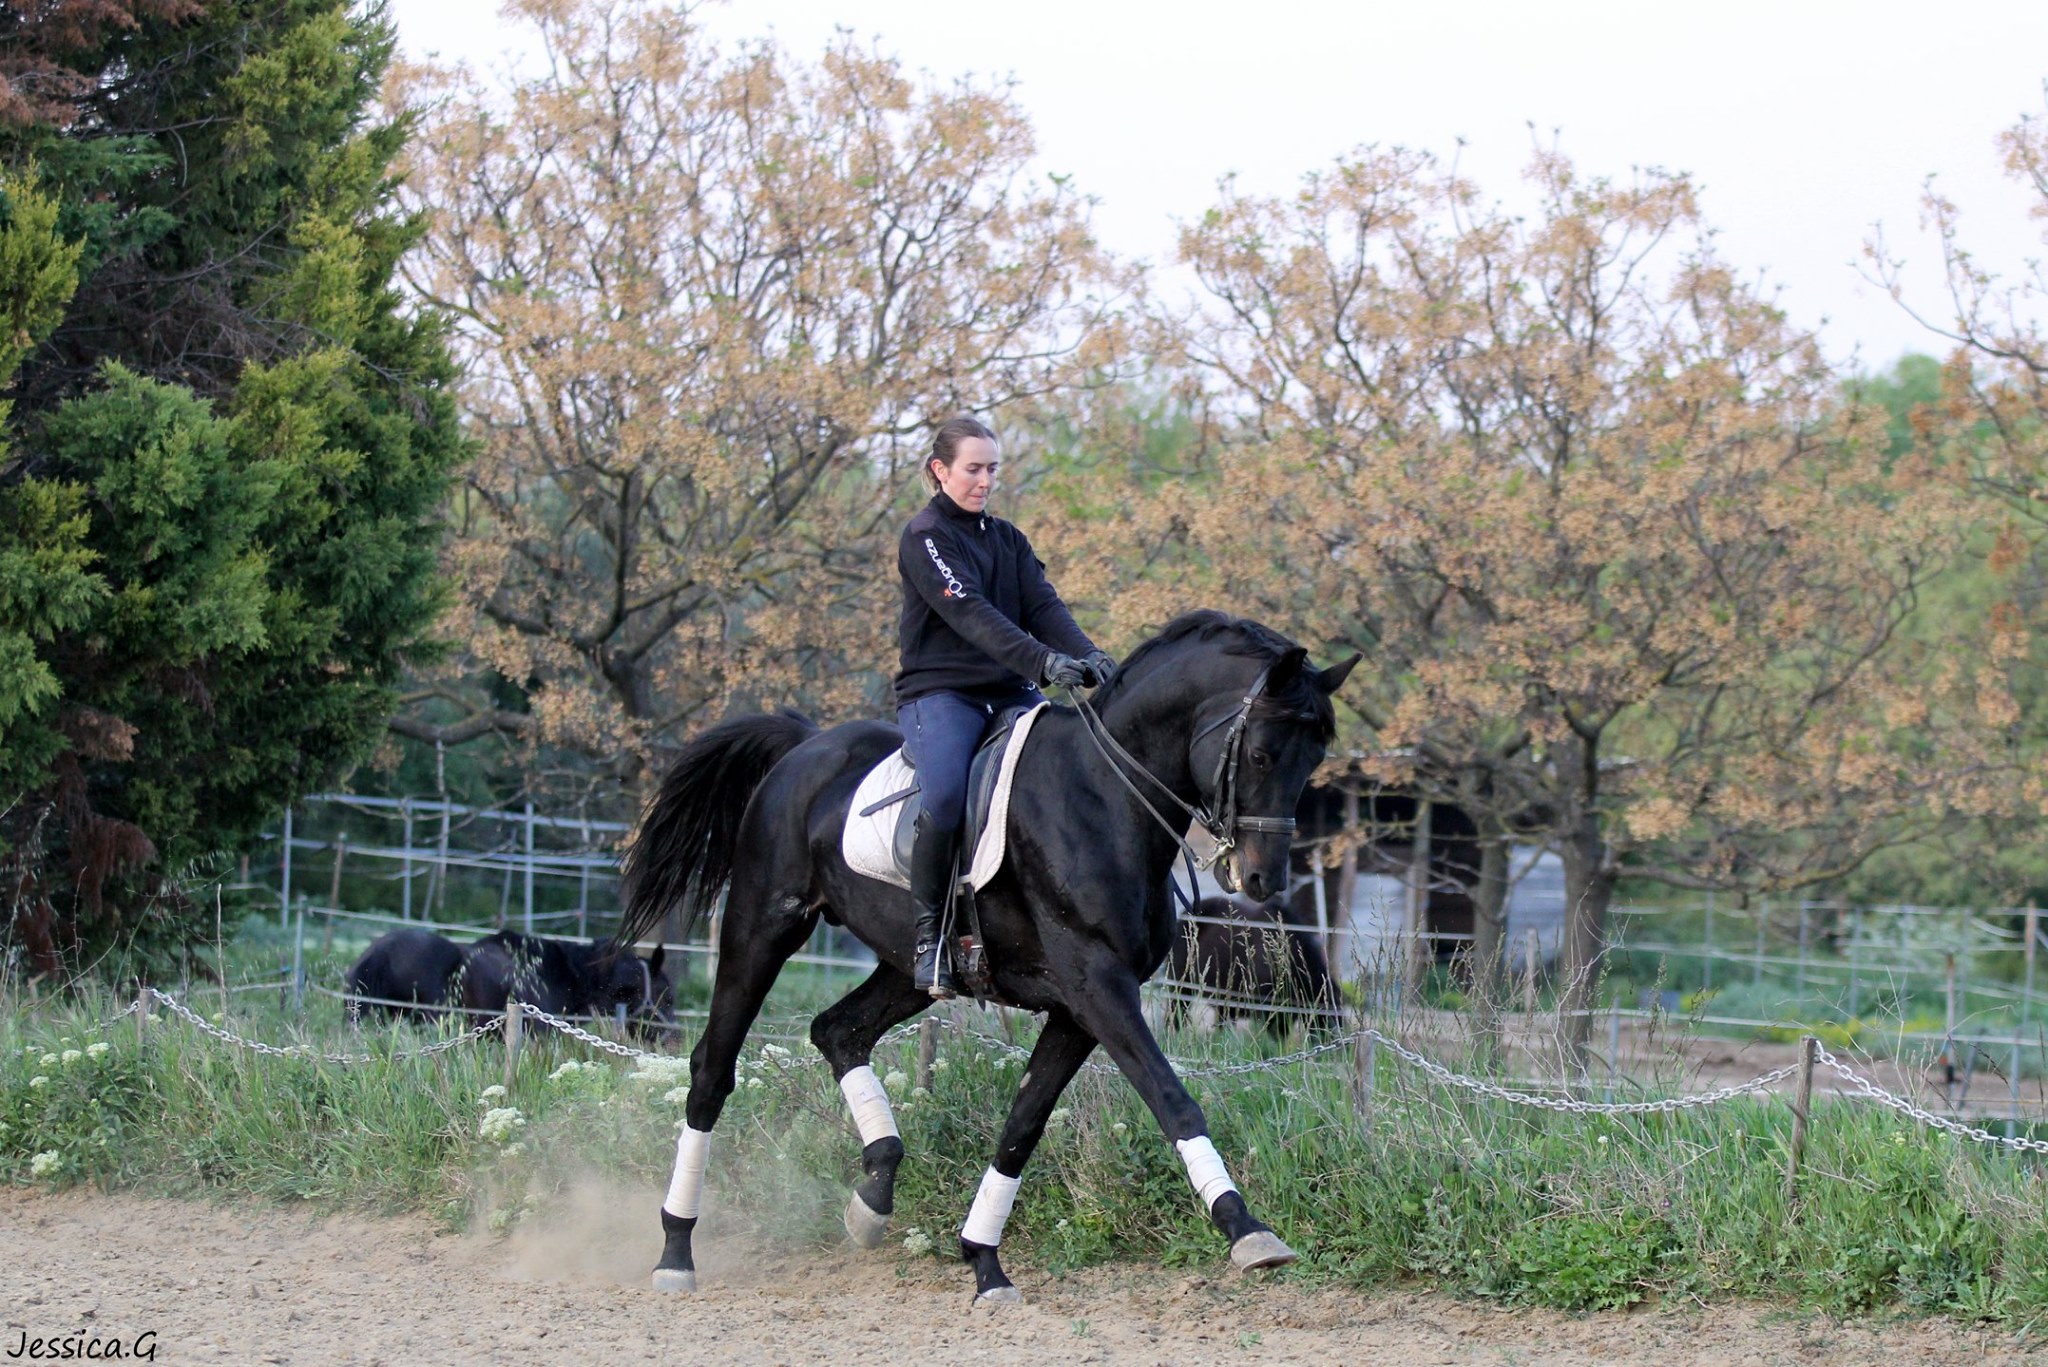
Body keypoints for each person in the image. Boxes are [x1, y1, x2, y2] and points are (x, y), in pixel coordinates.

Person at [895, 416, 1114, 998]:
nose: (985, 479)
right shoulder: (926, 537)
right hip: (942, 695)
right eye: (974, 468)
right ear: (941, 471)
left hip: (1012, 693)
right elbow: (972, 616)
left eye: (992, 468)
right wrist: (1043, 663)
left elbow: (1043, 606)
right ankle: (930, 937)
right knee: (944, 797)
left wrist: (1089, 654)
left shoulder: (1009, 539)